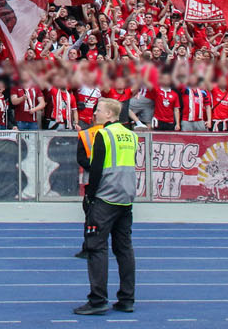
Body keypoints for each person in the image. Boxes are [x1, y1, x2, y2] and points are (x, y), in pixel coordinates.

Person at [74, 98, 137, 316]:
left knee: (96, 247)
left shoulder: (104, 134)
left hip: (105, 197)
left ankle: (98, 299)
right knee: (124, 249)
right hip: (126, 197)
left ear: (109, 114)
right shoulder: (131, 135)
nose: (95, 114)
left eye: (99, 110)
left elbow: (97, 168)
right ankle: (127, 298)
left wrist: (90, 198)